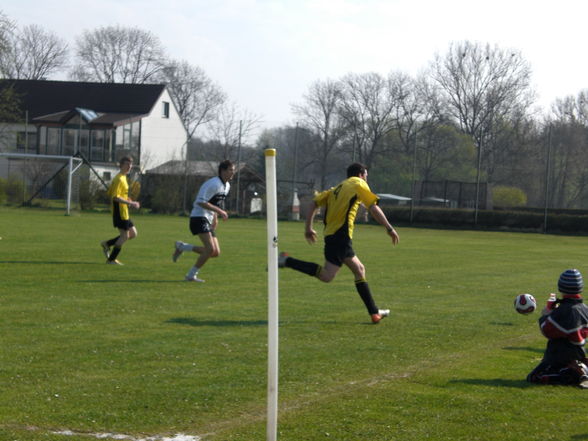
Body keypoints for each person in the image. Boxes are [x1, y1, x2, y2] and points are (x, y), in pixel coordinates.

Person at [278, 162, 400, 324]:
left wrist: (308, 228)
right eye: (366, 176)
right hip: (341, 235)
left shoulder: (336, 188)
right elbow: (373, 207)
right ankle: (286, 260)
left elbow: (314, 203)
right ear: (361, 174)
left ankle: (374, 312)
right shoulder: (358, 183)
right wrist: (389, 228)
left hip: (332, 235)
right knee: (328, 276)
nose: (366, 179)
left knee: (358, 269)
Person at [172, 160, 236, 282]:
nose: (233, 172)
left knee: (215, 252)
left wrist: (215, 217)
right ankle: (191, 275)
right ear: (222, 171)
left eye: (233, 170)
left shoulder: (227, 186)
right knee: (210, 249)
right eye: (230, 170)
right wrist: (220, 211)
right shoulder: (213, 184)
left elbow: (215, 202)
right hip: (198, 217)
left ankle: (182, 247)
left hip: (208, 219)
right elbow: (200, 201)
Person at [527, 269, 588, 388]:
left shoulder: (566, 310)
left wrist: (546, 314)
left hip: (561, 356)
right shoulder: (584, 308)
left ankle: (573, 372)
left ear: (561, 287)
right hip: (578, 351)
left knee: (535, 377)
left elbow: (547, 330)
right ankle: (580, 367)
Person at [101, 156, 140, 265]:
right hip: (119, 211)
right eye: (127, 164)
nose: (129, 166)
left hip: (124, 211)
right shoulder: (118, 178)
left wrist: (128, 199)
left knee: (133, 234)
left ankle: (107, 244)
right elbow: (115, 197)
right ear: (121, 165)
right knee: (125, 236)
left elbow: (117, 194)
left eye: (131, 164)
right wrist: (131, 203)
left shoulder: (123, 177)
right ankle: (111, 259)